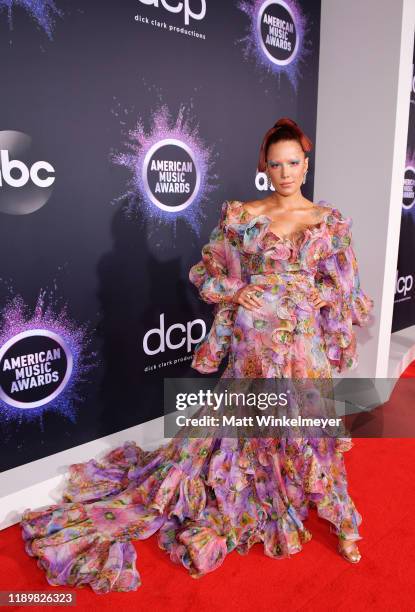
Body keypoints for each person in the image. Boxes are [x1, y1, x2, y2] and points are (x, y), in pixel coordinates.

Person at [20, 118, 373, 594]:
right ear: (263, 167)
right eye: (275, 164)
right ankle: (256, 491)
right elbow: (206, 276)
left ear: (306, 165)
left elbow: (346, 288)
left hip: (303, 342)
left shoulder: (328, 223)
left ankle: (340, 515)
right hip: (253, 344)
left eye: (293, 162)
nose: (285, 172)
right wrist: (241, 287)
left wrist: (313, 296)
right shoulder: (242, 216)